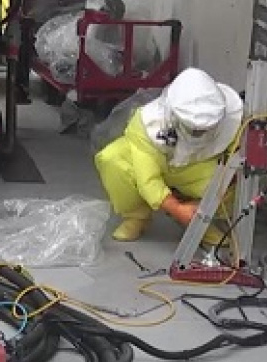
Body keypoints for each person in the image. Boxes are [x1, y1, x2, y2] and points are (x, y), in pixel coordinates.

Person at [94, 68, 244, 245]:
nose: (200, 133)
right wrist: (177, 208)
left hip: (195, 166)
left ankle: (199, 221)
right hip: (156, 160)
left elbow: (234, 159)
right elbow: (148, 179)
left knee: (234, 179)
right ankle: (137, 217)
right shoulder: (147, 124)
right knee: (111, 159)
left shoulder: (234, 119)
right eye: (195, 130)